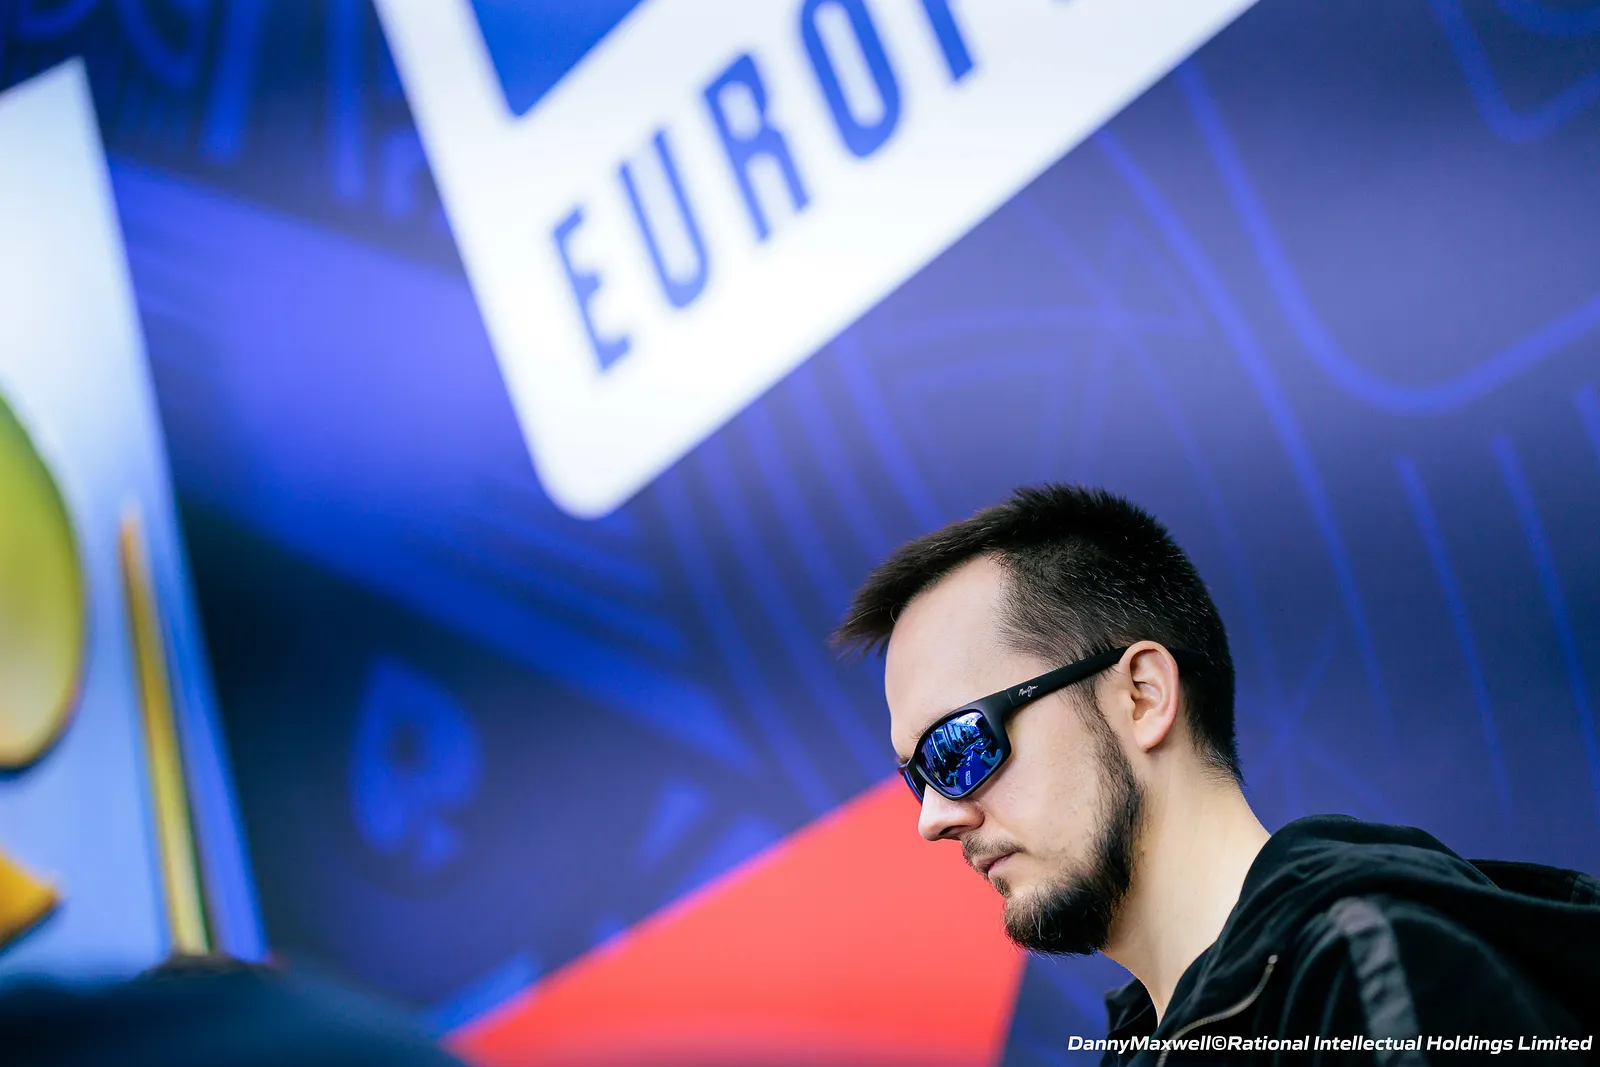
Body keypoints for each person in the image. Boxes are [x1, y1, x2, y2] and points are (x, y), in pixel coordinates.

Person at [830, 484, 1600, 1065]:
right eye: (918, 776)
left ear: (1143, 695)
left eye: (957, 746)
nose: (934, 817)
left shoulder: (1370, 970)